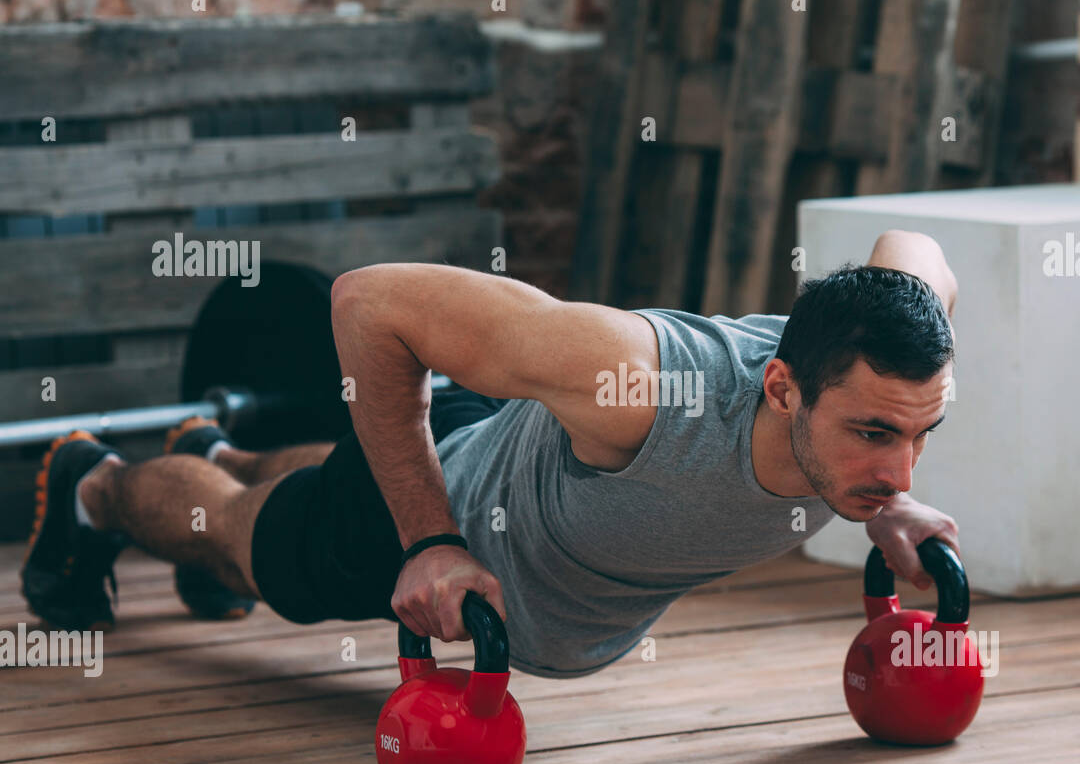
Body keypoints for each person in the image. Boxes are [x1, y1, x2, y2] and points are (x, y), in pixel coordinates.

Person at [21, 229, 961, 680]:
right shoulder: (634, 383)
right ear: (783, 389)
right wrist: (427, 537)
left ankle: (220, 447)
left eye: (923, 433)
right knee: (236, 538)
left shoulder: (893, 354)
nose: (902, 463)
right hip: (449, 509)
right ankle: (94, 487)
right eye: (874, 435)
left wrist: (887, 499)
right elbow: (366, 303)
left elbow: (915, 252)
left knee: (320, 469)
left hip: (495, 433)